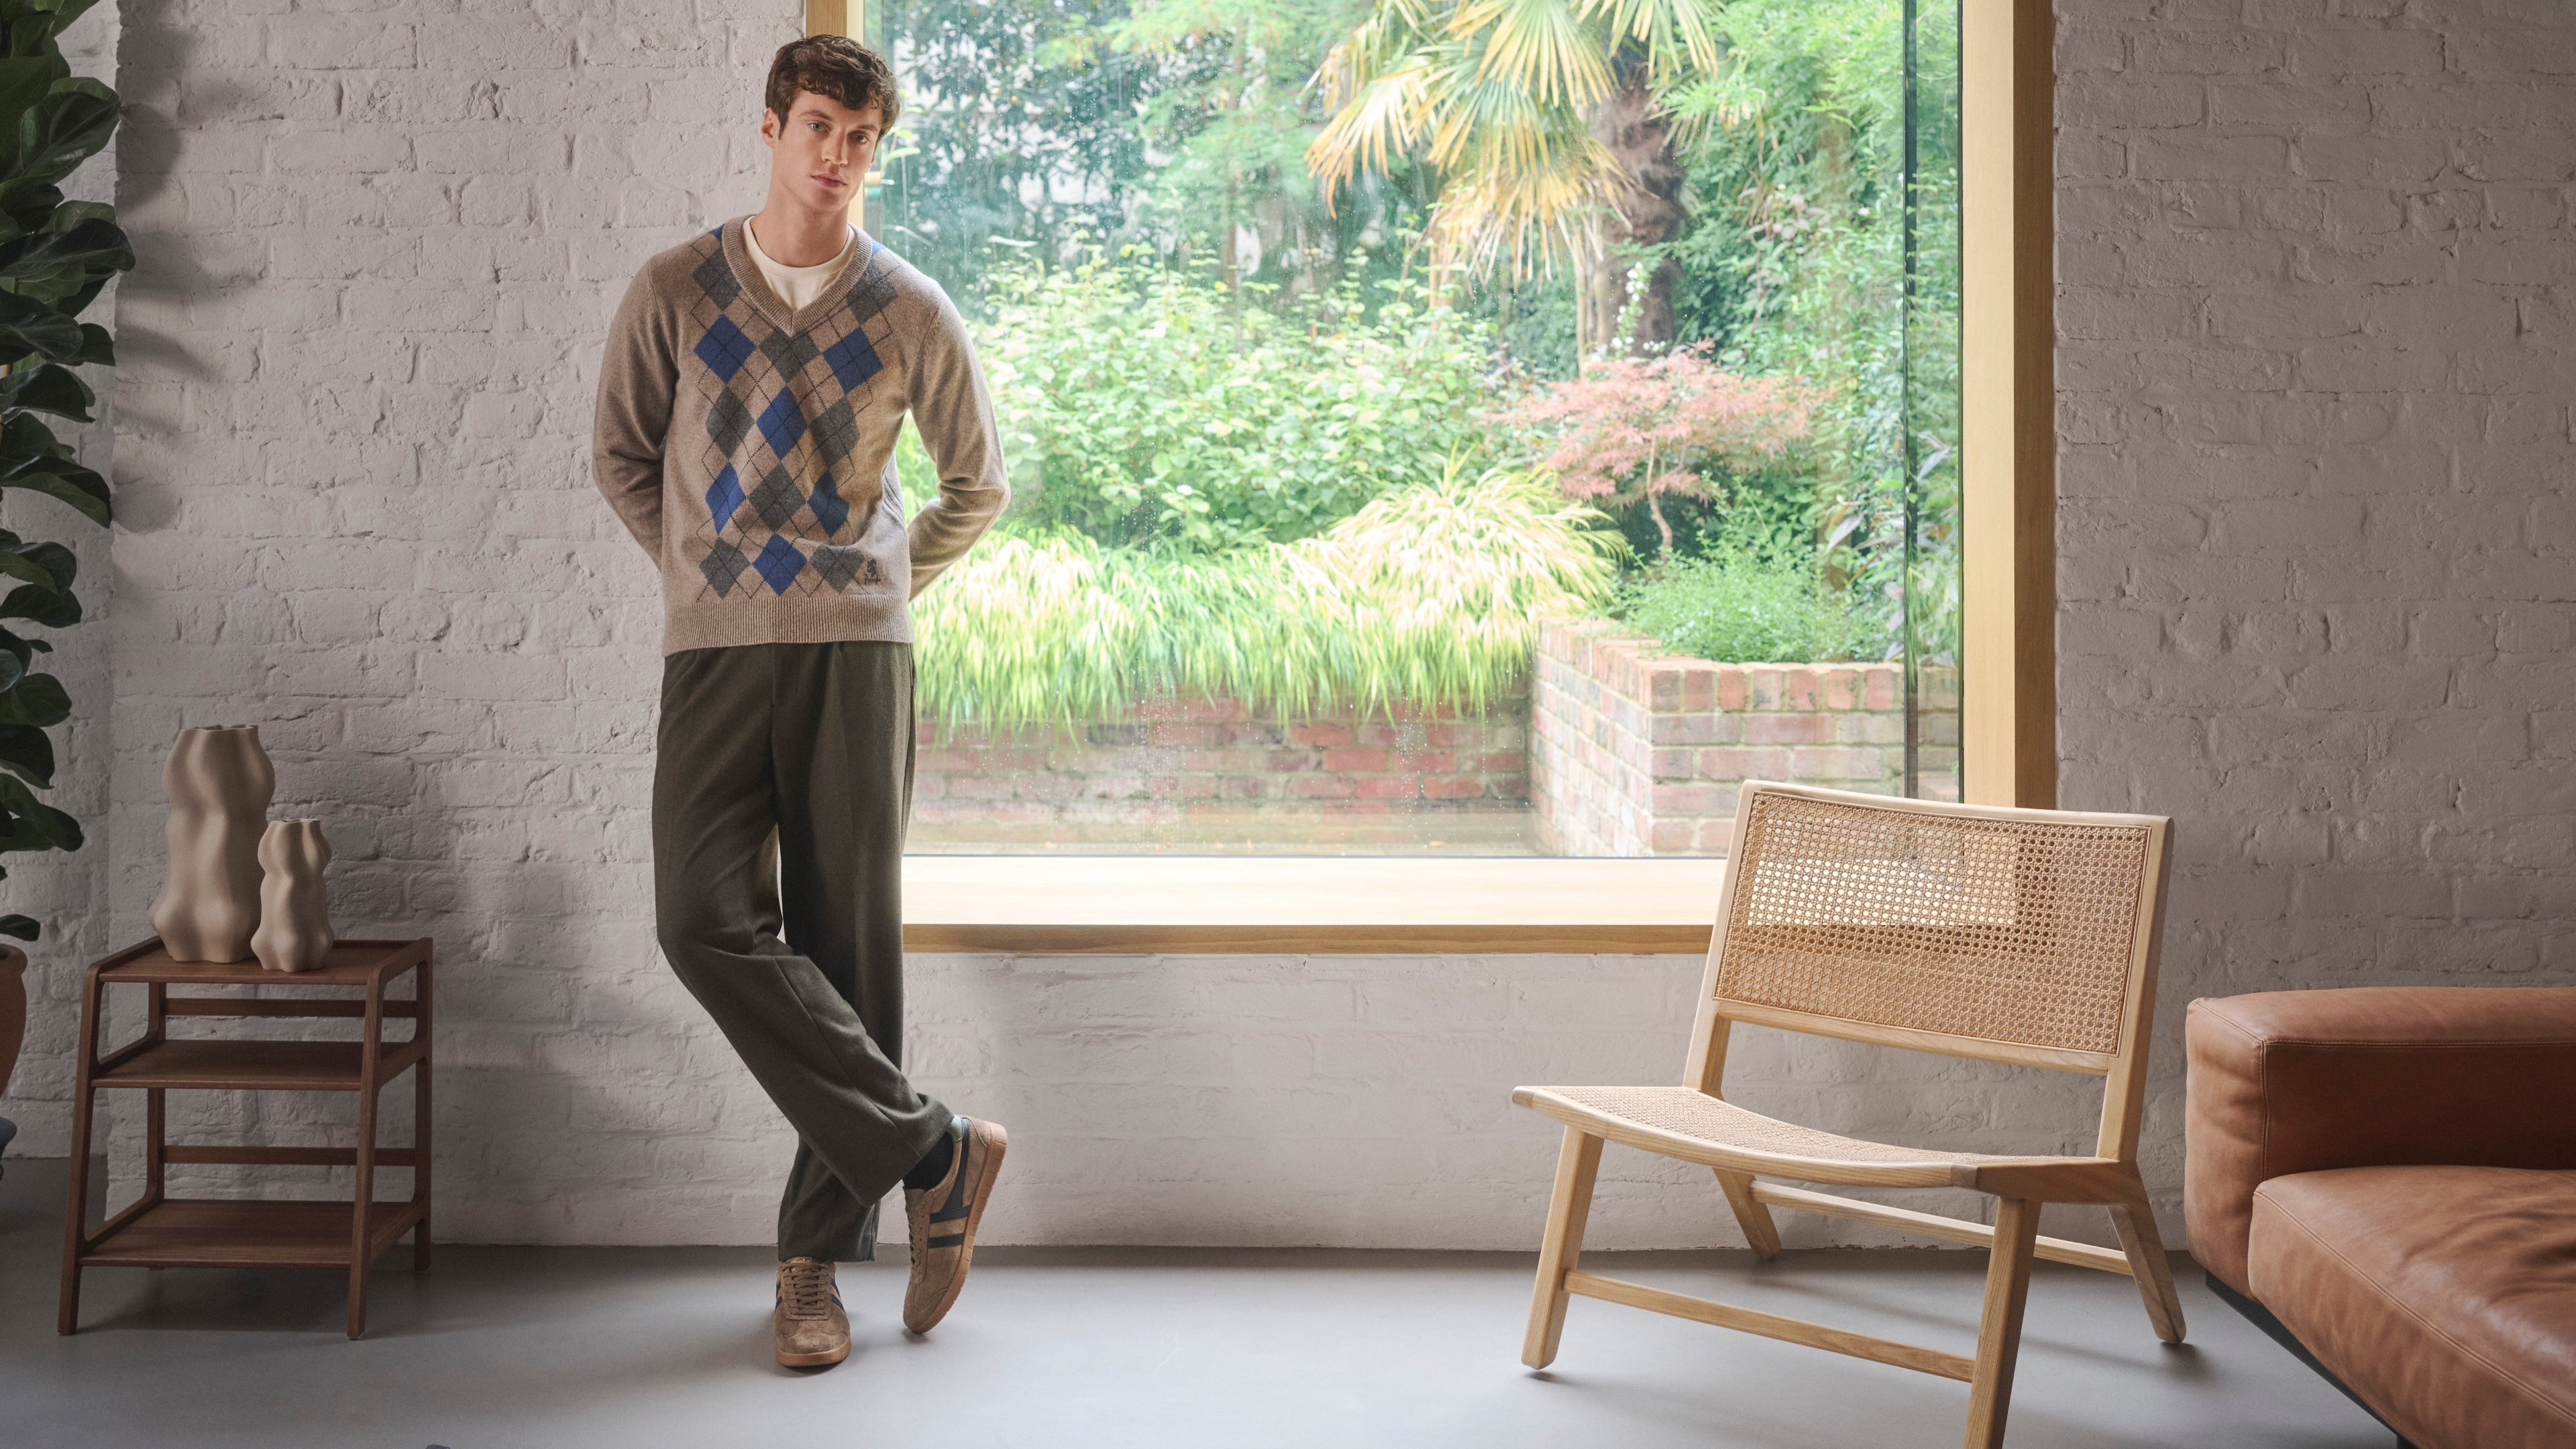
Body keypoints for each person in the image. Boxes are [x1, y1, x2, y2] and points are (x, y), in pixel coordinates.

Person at [590, 33, 1011, 1370]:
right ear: (770, 129)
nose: (837, 160)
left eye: (862, 140)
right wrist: (702, 577)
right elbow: (618, 453)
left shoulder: (909, 308)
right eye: (819, 128)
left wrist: (878, 584)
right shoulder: (674, 289)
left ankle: (810, 1268)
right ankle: (935, 1150)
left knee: (849, 944)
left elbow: (977, 489)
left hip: (855, 654)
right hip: (714, 648)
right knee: (697, 917)